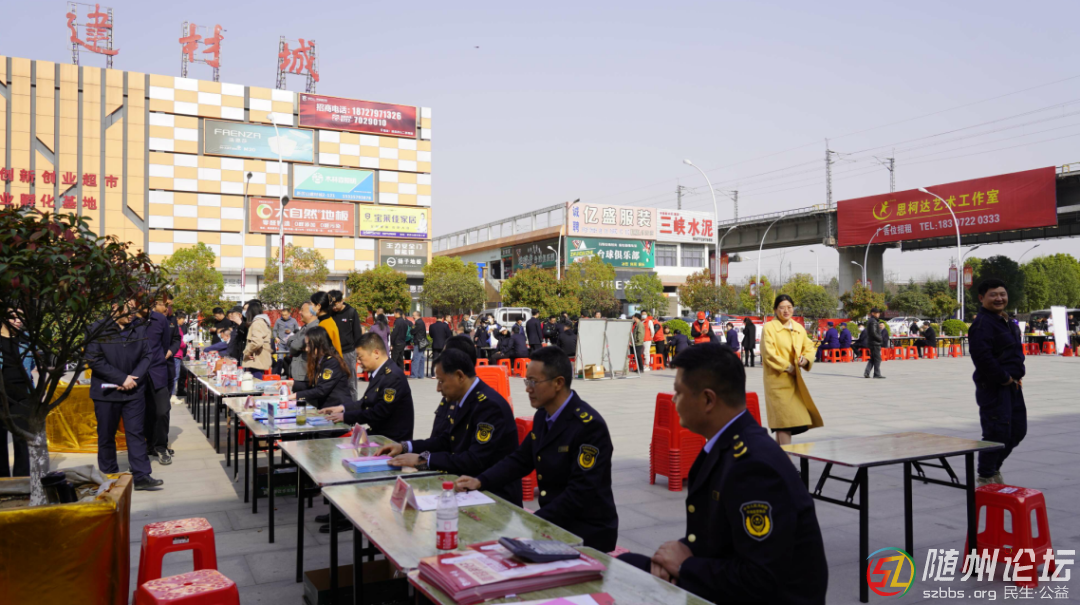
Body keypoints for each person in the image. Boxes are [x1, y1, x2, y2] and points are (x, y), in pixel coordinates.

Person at [616, 344, 828, 604]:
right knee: (626, 565)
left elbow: (761, 579)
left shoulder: (753, 466)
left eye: (679, 392)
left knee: (625, 577)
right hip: (730, 578)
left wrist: (684, 566)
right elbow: (721, 539)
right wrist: (680, 552)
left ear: (708, 400)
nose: (673, 400)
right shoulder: (728, 444)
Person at [455, 346, 619, 551]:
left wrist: (530, 522)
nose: (528, 389)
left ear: (558, 383)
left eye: (533, 382)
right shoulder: (543, 415)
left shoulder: (588, 426)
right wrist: (480, 481)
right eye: (527, 382)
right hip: (555, 522)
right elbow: (520, 459)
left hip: (586, 531)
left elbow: (580, 492)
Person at [378, 348, 523, 505]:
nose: (438, 388)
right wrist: (405, 447)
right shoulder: (463, 398)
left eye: (441, 381)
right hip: (466, 487)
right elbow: (446, 440)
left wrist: (424, 460)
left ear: (460, 376)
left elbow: (474, 460)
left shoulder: (488, 406)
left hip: (494, 495)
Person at [88, 303, 162, 490]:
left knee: (136, 433)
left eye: (134, 310)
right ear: (115, 307)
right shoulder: (97, 328)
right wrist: (121, 378)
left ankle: (142, 476)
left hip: (134, 390)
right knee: (106, 435)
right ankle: (110, 476)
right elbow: (94, 359)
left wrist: (133, 378)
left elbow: (147, 355)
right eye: (129, 309)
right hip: (106, 392)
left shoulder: (138, 327)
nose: (132, 314)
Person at [969, 278, 1026, 486]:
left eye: (1002, 294)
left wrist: (1015, 377)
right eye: (993, 295)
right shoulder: (982, 324)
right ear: (981, 298)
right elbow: (982, 357)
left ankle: (993, 468)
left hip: (1013, 386)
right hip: (994, 387)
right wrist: (1004, 378)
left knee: (1018, 430)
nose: (999, 298)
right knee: (996, 432)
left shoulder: (1007, 321)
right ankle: (985, 476)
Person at [323, 332, 415, 443]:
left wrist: (345, 417)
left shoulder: (392, 377)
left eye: (360, 357)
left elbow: (379, 412)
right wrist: (342, 408)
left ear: (376, 353)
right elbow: (365, 402)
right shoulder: (379, 372)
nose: (358, 361)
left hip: (391, 441)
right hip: (379, 435)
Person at [761, 295, 823, 446]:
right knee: (784, 423)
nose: (786, 310)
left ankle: (779, 458)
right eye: (782, 307)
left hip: (795, 382)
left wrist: (806, 359)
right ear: (775, 310)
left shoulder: (798, 328)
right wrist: (788, 367)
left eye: (789, 307)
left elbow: (809, 346)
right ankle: (786, 459)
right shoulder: (769, 328)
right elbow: (768, 354)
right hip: (777, 381)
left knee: (785, 422)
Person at [135, 293, 180, 465]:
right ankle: (149, 445)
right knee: (144, 412)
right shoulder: (132, 321)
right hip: (137, 374)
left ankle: (161, 445)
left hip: (158, 371)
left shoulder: (161, 320)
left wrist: (162, 356)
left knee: (162, 410)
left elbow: (166, 343)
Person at [0, 308, 32, 477]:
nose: (18, 321)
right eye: (13, 317)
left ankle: (22, 479)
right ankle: (2, 481)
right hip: (1, 394)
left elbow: (32, 365)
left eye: (20, 317)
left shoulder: (26, 340)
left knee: (22, 439)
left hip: (21, 394)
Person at [289, 326, 353, 410]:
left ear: (318, 345)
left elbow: (321, 390)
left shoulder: (332, 362)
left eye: (308, 345)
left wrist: (296, 395)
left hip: (337, 408)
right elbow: (314, 385)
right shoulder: (320, 360)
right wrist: (291, 383)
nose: (306, 349)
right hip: (327, 408)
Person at [328, 290, 363, 398]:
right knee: (332, 379)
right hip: (333, 352)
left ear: (341, 301)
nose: (334, 307)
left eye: (335, 304)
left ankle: (353, 403)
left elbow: (357, 333)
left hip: (348, 351)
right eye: (332, 305)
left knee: (350, 381)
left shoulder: (351, 312)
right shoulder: (330, 312)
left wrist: (358, 352)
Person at [289, 303, 318, 392]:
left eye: (302, 310)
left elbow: (294, 346)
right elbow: (290, 341)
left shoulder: (314, 327)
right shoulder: (305, 327)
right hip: (300, 373)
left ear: (311, 313)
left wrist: (296, 344)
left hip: (305, 374)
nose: (300, 312)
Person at [242, 300, 273, 380]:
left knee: (255, 383)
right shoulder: (262, 322)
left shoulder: (257, 323)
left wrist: (248, 352)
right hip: (258, 359)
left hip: (256, 360)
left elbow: (257, 342)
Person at [310, 292, 343, 357]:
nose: (310, 308)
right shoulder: (328, 320)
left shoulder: (324, 325)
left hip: (330, 360)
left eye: (312, 305)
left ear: (318, 306)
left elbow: (324, 350)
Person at [273, 307, 299, 377]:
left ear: (289, 314)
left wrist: (291, 332)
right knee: (280, 359)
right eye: (283, 315)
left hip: (290, 344)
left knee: (289, 360)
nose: (284, 316)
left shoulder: (294, 321)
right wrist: (276, 337)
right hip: (281, 343)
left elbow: (297, 331)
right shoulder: (278, 321)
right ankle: (278, 375)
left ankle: (289, 374)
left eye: (285, 315)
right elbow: (274, 330)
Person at [170, 311, 188, 404]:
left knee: (175, 375)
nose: (183, 321)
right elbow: (179, 342)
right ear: (177, 318)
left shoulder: (178, 328)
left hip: (178, 354)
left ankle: (172, 394)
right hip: (176, 354)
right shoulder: (176, 328)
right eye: (182, 319)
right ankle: (172, 395)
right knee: (175, 376)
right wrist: (184, 344)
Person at [864, 308, 884, 379]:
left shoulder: (872, 320)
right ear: (873, 313)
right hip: (875, 343)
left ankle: (867, 372)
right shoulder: (873, 321)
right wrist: (880, 339)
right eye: (877, 313)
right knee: (877, 359)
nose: (878, 314)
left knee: (873, 358)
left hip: (872, 342)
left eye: (878, 313)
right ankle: (876, 374)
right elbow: (873, 333)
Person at [411, 311, 428, 379]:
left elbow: (413, 331)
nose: (413, 316)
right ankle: (421, 374)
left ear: (417, 315)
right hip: (422, 342)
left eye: (413, 315)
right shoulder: (422, 322)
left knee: (416, 358)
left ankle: (414, 374)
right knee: (421, 359)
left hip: (418, 342)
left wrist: (411, 329)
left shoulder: (418, 322)